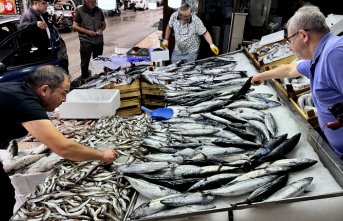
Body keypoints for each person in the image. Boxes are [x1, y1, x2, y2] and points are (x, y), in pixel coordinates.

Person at [0, 65, 118, 220]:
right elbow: (65, 148)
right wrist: (102, 155)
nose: (65, 100)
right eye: (64, 93)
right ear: (44, 90)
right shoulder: (24, 103)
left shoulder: (18, 90)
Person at [251, 6, 343, 159]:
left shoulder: (335, 54)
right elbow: (289, 70)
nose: (289, 45)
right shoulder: (319, 57)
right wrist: (261, 76)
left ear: (303, 35)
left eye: (290, 39)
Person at [72, 0, 106, 84]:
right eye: (92, 1)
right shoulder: (80, 11)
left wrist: (101, 30)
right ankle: (85, 80)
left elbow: (103, 24)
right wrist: (88, 32)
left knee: (98, 61)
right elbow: (75, 26)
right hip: (86, 41)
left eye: (95, 1)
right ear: (86, 1)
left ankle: (98, 79)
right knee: (85, 63)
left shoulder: (98, 10)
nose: (94, 3)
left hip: (98, 41)